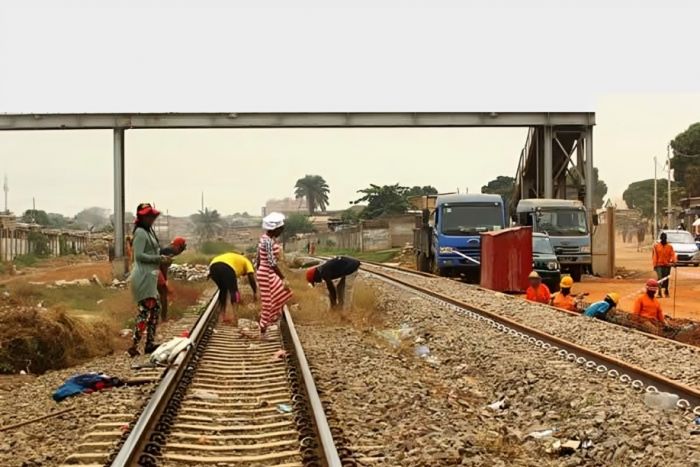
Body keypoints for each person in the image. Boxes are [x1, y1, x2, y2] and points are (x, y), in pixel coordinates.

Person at [128, 203, 171, 357]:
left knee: (154, 310)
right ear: (141, 217)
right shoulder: (140, 233)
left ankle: (149, 344)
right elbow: (138, 256)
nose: (151, 218)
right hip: (143, 276)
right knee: (145, 312)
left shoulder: (149, 232)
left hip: (150, 276)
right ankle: (134, 345)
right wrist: (159, 258)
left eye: (152, 215)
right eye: (148, 216)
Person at [256, 212, 293, 338]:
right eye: (280, 229)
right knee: (268, 302)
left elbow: (259, 258)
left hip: (266, 272)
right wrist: (282, 277)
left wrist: (258, 271)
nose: (281, 232)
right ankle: (263, 329)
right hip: (267, 273)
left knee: (284, 293)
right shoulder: (267, 242)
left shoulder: (266, 239)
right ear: (275, 228)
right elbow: (271, 262)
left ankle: (271, 319)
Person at [209, 251, 258, 325]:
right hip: (226, 267)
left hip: (213, 267)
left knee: (223, 291)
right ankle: (235, 317)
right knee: (234, 292)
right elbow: (251, 277)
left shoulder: (234, 258)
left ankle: (221, 317)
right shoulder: (247, 262)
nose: (243, 275)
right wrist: (255, 292)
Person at [157, 236, 187, 321]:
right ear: (177, 246)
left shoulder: (169, 251)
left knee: (162, 293)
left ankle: (161, 317)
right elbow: (161, 266)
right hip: (155, 271)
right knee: (163, 293)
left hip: (157, 272)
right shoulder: (168, 252)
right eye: (180, 249)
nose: (180, 252)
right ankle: (163, 318)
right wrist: (164, 281)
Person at [652, 232, 676, 297]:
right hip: (659, 265)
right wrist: (654, 265)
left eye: (664, 238)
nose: (663, 239)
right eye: (662, 238)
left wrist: (673, 262)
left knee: (666, 279)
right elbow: (654, 256)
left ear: (666, 238)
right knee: (659, 278)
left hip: (667, 265)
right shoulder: (656, 246)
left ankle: (666, 290)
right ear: (660, 239)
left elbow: (672, 255)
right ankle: (659, 292)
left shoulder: (669, 246)